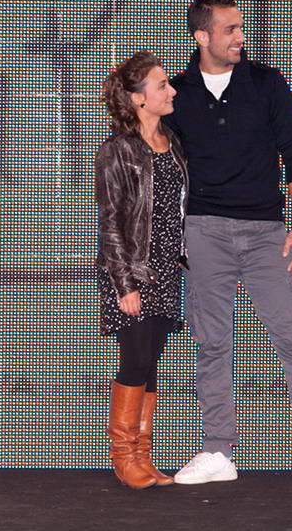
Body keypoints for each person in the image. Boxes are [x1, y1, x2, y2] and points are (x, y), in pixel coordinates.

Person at [163, 0, 292, 492]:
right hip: (204, 231)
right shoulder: (178, 93)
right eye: (230, 30)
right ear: (202, 36)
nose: (241, 37)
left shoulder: (266, 82)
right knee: (212, 343)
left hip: (267, 232)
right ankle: (218, 450)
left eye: (242, 28)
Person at [96, 50, 188, 490]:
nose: (171, 91)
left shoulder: (174, 143)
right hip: (132, 271)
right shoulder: (117, 150)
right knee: (133, 360)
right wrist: (124, 283)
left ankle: (143, 454)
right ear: (138, 98)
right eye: (162, 85)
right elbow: (111, 222)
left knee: (149, 361)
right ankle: (123, 455)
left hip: (167, 269)